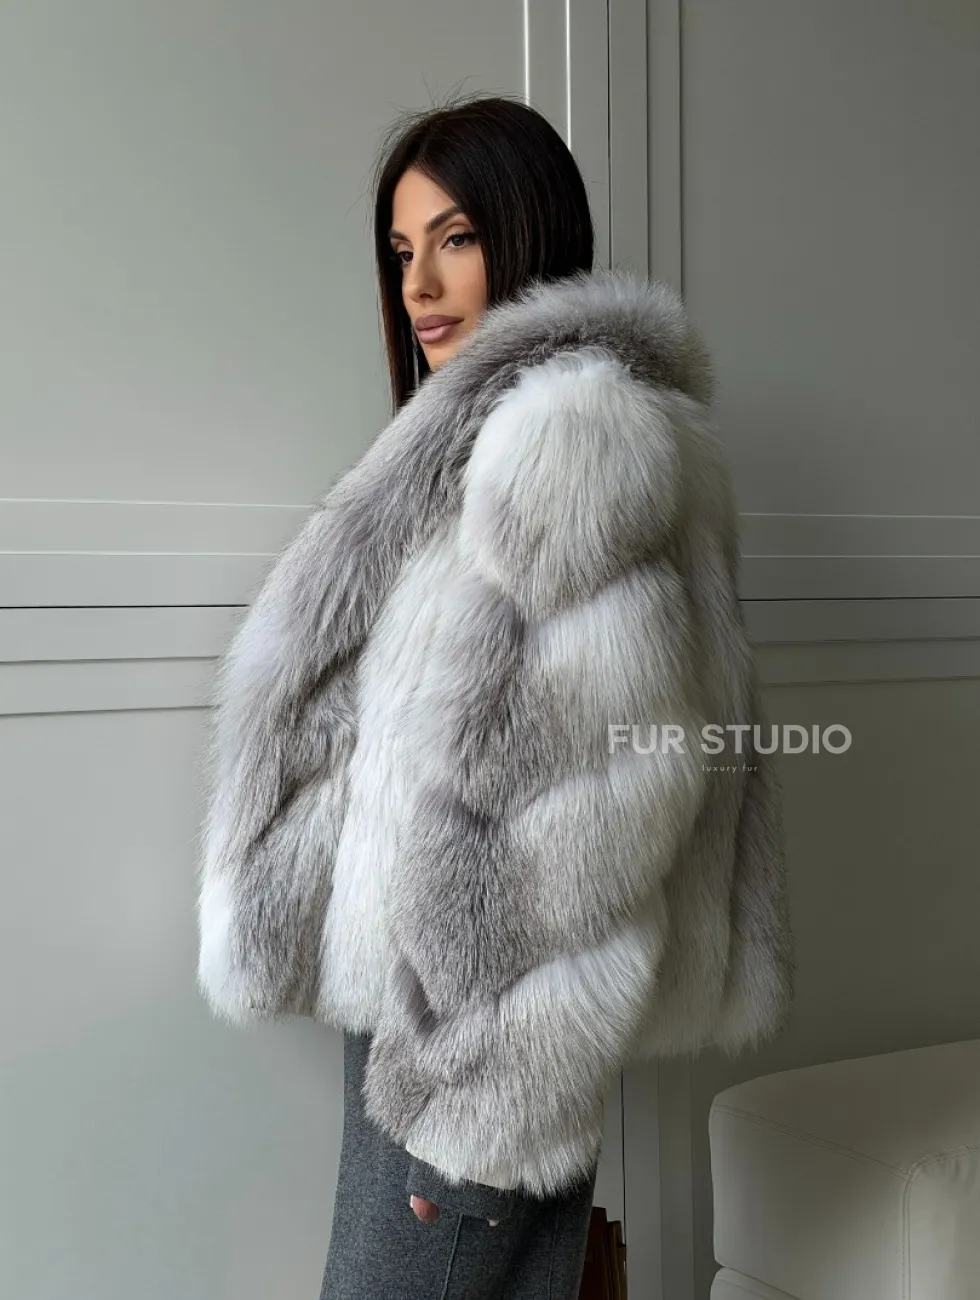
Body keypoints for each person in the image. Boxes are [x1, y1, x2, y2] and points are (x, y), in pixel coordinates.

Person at [195, 91, 795, 1299]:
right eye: (401, 250)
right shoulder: (501, 443)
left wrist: (470, 1108)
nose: (419, 284)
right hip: (450, 1026)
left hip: (469, 1053)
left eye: (456, 239)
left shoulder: (567, 444)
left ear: (527, 236)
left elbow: (573, 817)